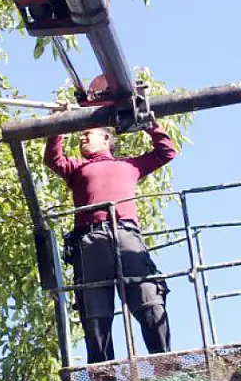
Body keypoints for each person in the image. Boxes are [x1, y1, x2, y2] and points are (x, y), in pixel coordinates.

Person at [44, 119, 176, 365]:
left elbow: (166, 152)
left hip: (126, 235)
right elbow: (54, 159)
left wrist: (147, 122)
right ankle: (104, 377)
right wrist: (58, 125)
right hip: (89, 240)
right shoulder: (77, 168)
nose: (82, 138)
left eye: (87, 134)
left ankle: (165, 365)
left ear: (106, 138)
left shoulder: (129, 165)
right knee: (95, 312)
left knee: (149, 299)